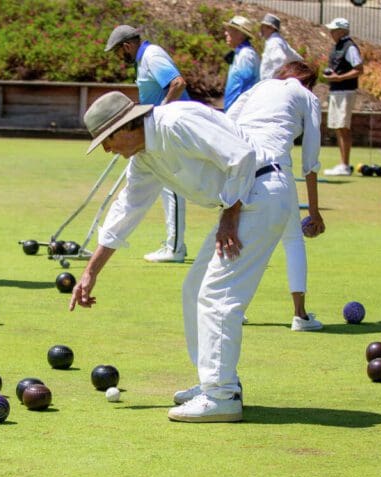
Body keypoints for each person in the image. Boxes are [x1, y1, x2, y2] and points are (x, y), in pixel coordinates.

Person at [69, 91, 293, 422]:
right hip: (243, 200)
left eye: (107, 139)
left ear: (127, 126)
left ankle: (222, 395)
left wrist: (230, 216)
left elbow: (241, 155)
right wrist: (91, 272)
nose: (106, 149)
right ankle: (212, 383)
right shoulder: (146, 158)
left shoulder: (177, 122)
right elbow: (126, 211)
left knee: (217, 294)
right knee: (195, 287)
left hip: (260, 193)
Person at [226, 62, 326, 332]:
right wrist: (314, 212)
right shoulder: (308, 97)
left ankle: (234, 309)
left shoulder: (260, 87)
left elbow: (227, 121)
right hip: (275, 170)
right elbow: (310, 162)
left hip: (237, 167)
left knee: (240, 238)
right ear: (309, 82)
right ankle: (300, 315)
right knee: (293, 239)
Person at [105, 25, 189, 263]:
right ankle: (173, 244)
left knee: (172, 185)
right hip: (157, 131)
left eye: (117, 52)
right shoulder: (143, 60)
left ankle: (175, 248)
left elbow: (178, 83)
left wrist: (160, 114)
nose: (118, 58)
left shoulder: (152, 55)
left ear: (127, 46)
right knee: (167, 186)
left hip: (169, 130)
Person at [323, 18, 363, 177]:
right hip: (337, 91)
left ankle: (345, 165)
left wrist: (339, 78)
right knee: (339, 127)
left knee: (343, 127)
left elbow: (359, 69)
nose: (331, 33)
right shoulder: (338, 46)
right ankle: (343, 164)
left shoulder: (350, 47)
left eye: (334, 30)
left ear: (342, 31)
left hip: (345, 91)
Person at [223, 15, 260, 111]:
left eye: (230, 30)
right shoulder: (240, 53)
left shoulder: (246, 55)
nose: (226, 33)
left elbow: (246, 85)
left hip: (239, 110)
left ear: (240, 34)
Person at [259, 13, 303, 80]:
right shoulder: (278, 41)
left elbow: (280, 60)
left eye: (263, 26)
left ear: (271, 28)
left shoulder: (274, 42)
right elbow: (297, 58)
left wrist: (275, 80)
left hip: (272, 84)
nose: (261, 29)